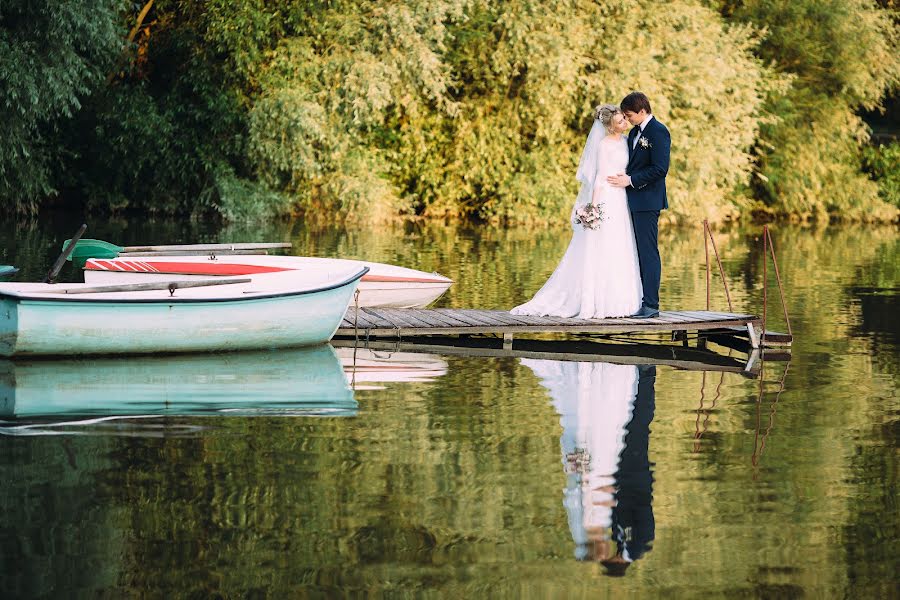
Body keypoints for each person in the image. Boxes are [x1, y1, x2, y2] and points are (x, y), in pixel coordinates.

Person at [510, 105, 643, 319]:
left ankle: (623, 302)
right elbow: (599, 177)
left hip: (622, 198)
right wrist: (594, 207)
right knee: (602, 247)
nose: (625, 123)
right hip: (607, 199)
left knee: (620, 246)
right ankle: (596, 302)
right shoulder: (603, 146)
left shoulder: (627, 142)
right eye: (619, 122)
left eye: (624, 120)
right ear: (609, 127)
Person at [607, 92, 670, 318]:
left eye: (629, 115)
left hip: (648, 201)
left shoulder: (659, 132)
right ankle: (633, 300)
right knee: (632, 252)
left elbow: (661, 168)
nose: (627, 118)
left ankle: (651, 305)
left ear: (642, 111)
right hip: (629, 201)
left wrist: (631, 180)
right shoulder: (634, 133)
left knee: (648, 252)